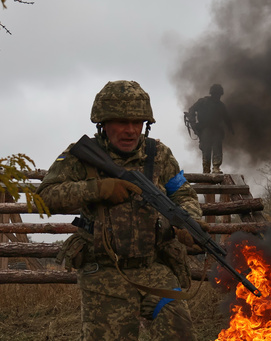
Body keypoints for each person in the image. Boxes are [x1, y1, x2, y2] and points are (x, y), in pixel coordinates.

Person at [37, 80, 206, 341]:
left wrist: (189, 222)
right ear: (103, 123)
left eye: (137, 123)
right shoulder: (81, 155)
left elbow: (182, 193)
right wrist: (98, 189)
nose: (130, 130)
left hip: (154, 268)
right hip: (104, 274)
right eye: (121, 122)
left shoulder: (158, 154)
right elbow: (44, 197)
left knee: (180, 333)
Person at [187, 84, 234, 174]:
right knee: (206, 149)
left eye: (219, 95)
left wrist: (230, 128)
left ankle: (216, 168)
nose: (218, 96)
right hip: (205, 129)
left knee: (217, 149)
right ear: (212, 93)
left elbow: (226, 118)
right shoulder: (203, 102)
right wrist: (193, 123)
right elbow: (191, 110)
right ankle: (206, 169)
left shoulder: (221, 105)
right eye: (217, 94)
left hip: (216, 130)